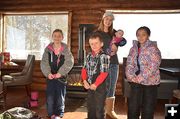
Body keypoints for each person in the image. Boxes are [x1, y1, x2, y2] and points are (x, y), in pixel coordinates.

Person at [125, 26, 161, 119]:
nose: (140, 37)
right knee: (133, 108)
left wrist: (140, 78)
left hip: (150, 83)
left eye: (143, 35)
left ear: (148, 36)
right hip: (135, 82)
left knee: (148, 109)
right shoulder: (133, 48)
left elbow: (154, 66)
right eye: (138, 35)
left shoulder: (153, 48)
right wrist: (131, 76)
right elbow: (129, 63)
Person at [97, 11, 125, 119]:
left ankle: (110, 110)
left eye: (110, 20)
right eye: (106, 19)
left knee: (112, 87)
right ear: (103, 19)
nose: (108, 21)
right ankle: (101, 110)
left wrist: (117, 46)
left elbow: (122, 41)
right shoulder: (97, 33)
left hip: (113, 63)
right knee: (102, 86)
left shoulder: (114, 33)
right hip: (101, 64)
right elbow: (93, 47)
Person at [40, 29, 74, 119]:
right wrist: (48, 73)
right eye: (55, 36)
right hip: (50, 77)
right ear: (52, 37)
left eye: (59, 36)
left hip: (61, 77)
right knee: (50, 96)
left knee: (60, 96)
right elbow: (44, 63)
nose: (57, 38)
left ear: (62, 37)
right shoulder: (48, 49)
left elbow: (69, 62)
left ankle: (59, 114)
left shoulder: (66, 49)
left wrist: (60, 73)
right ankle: (51, 114)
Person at [81, 32, 110, 119]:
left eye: (96, 43)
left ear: (101, 44)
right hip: (90, 84)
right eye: (91, 44)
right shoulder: (89, 56)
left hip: (100, 86)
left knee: (99, 108)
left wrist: (96, 84)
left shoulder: (104, 56)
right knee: (91, 106)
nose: (94, 45)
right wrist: (84, 81)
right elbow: (84, 69)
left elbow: (104, 73)